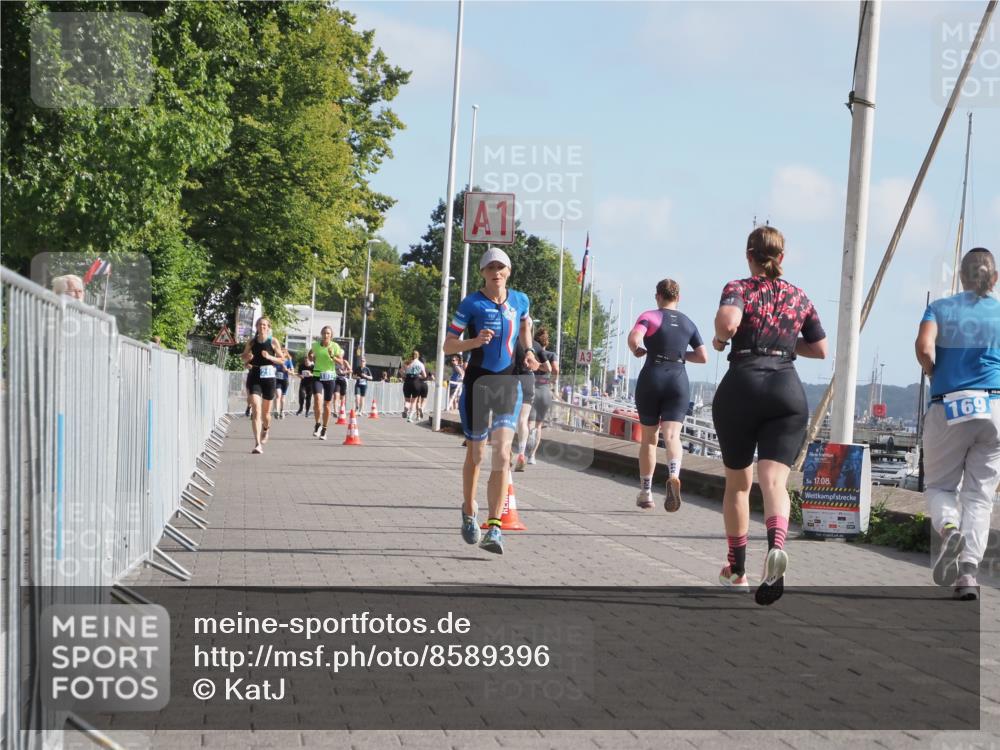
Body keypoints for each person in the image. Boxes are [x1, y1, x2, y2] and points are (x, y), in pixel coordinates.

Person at [711, 226, 827, 605]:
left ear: (749, 255)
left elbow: (728, 323)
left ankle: (737, 570)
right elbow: (820, 348)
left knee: (739, 485)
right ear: (782, 258)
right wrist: (780, 338)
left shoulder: (739, 287)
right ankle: (776, 546)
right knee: (775, 482)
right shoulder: (799, 296)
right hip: (786, 390)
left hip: (742, 385)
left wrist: (721, 339)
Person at [915, 247, 1000, 601]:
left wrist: (935, 371)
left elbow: (923, 347)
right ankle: (968, 574)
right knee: (980, 497)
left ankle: (950, 530)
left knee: (938, 487)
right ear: (993, 278)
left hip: (950, 405)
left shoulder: (940, 308)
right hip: (994, 407)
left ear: (962, 276)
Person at [444, 247, 538, 555]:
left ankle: (494, 526)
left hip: (508, 382)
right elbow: (447, 345)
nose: (496, 272)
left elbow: (525, 326)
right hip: (478, 383)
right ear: (483, 272)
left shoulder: (520, 300)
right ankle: (469, 509)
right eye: (490, 268)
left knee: (503, 453)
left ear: (508, 271)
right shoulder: (471, 303)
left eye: (501, 267)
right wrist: (473, 342)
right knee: (477, 455)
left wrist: (529, 352)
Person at [628, 279, 708, 510]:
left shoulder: (650, 316)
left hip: (652, 377)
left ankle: (646, 493)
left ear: (658, 296)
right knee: (672, 436)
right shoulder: (688, 323)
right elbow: (703, 356)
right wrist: (681, 355)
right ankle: (674, 474)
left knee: (649, 439)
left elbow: (635, 338)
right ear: (678, 298)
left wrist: (637, 350)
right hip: (678, 380)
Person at [240, 317, 284, 454]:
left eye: (265, 325)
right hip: (255, 376)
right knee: (256, 409)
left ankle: (266, 428)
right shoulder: (252, 342)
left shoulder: (273, 341)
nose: (262, 327)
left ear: (268, 327)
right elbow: (244, 356)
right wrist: (247, 359)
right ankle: (257, 443)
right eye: (260, 324)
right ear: (256, 327)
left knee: (266, 414)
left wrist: (270, 357)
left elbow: (282, 360)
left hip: (269, 378)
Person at [527, 327, 558, 466]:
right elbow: (555, 369)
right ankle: (532, 456)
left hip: (532, 388)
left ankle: (524, 449)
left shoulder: (532, 353)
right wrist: (553, 381)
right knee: (539, 425)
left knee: (529, 423)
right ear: (547, 341)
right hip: (545, 389)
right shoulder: (551, 355)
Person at [310, 326, 348, 440]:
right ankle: (317, 424)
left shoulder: (335, 346)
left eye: (328, 334)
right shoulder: (315, 345)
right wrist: (311, 358)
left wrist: (332, 356)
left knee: (327, 404)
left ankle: (324, 429)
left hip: (330, 377)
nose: (326, 335)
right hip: (317, 375)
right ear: (321, 334)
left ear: (331, 336)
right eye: (324, 333)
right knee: (317, 401)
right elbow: (310, 354)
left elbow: (341, 362)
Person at [402, 351, 427, 422]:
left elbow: (401, 371)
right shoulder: (420, 364)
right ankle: (409, 417)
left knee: (407, 400)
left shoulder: (407, 362)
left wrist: (405, 375)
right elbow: (424, 375)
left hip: (407, 382)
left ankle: (405, 409)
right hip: (416, 382)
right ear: (418, 356)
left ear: (411, 355)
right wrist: (418, 375)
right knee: (413, 401)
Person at [272, 344, 292, 419]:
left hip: (284, 380)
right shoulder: (276, 361)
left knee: (283, 398)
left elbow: (291, 371)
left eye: (283, 353)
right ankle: (276, 411)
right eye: (280, 352)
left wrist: (287, 370)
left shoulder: (288, 361)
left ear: (286, 354)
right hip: (277, 381)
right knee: (277, 395)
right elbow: (272, 368)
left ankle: (282, 411)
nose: (281, 354)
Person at [296, 350, 313, 417]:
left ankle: (307, 411)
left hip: (310, 384)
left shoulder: (312, 367)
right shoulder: (301, 366)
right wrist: (300, 376)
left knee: (308, 398)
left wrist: (311, 374)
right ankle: (300, 408)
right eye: (305, 361)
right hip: (303, 383)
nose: (306, 362)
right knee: (301, 396)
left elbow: (316, 375)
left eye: (307, 361)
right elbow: (298, 373)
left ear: (310, 361)